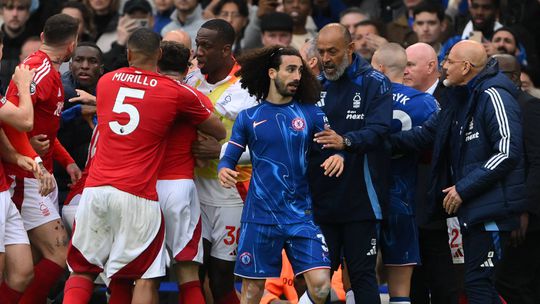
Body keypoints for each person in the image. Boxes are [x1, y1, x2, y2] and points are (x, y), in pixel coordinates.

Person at [63, 28, 225, 304]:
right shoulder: (179, 94)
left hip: (98, 189)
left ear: (128, 54)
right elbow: (218, 130)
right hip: (148, 191)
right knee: (160, 275)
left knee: (85, 271)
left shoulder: (106, 83)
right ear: (160, 55)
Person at [391, 40, 525, 304]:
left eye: (449, 61)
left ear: (466, 67)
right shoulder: (457, 100)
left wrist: (463, 188)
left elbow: (507, 151)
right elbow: (422, 136)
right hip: (472, 211)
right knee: (473, 284)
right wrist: (364, 140)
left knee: (478, 284)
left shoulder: (493, 95)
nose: (444, 66)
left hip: (492, 212)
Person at [218, 45, 342, 304]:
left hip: (300, 215)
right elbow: (229, 156)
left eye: (300, 70)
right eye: (290, 69)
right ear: (272, 73)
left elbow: (334, 147)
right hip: (260, 216)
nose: (297, 76)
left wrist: (338, 156)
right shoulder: (249, 117)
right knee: (251, 293)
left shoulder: (312, 114)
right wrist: (224, 169)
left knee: (321, 288)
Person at [1, 14, 81, 304]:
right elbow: (12, 121)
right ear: (72, 45)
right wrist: (31, 157)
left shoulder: (49, 70)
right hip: (25, 178)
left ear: (43, 34)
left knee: (27, 266)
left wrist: (66, 160)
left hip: (39, 173)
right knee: (58, 253)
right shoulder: (37, 71)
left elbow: (44, 130)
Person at [311, 23, 393, 304]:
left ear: (350, 49)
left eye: (332, 51)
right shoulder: (314, 84)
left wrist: (345, 144)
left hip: (362, 198)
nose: (326, 59)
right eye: (321, 52)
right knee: (318, 276)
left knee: (362, 274)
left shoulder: (374, 82)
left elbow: (380, 130)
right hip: (320, 199)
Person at [185, 19, 257, 304]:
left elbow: (265, 143)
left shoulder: (249, 88)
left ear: (226, 50)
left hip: (232, 194)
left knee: (221, 277)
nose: (198, 51)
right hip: (194, 189)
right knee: (192, 273)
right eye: (197, 44)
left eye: (206, 46)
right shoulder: (193, 79)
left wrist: (221, 151)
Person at [371, 42, 438, 304]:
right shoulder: (426, 102)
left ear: (379, 68)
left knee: (359, 276)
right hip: (403, 199)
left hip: (366, 199)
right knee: (401, 287)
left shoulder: (366, 98)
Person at [404, 42, 463, 304]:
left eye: (410, 65)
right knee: (413, 285)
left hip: (445, 209)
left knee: (446, 284)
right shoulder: (400, 99)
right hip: (408, 207)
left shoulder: (451, 98)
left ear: (431, 67)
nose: (404, 71)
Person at [156, 40, 211, 304]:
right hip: (180, 186)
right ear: (188, 65)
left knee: (144, 275)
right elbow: (216, 131)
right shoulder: (193, 96)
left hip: (144, 189)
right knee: (188, 273)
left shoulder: (143, 92)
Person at [492, 54, 540, 304]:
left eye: (495, 74)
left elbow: (537, 161)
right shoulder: (493, 106)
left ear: (515, 78)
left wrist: (525, 210)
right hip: (503, 210)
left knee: (515, 283)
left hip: (526, 218)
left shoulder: (529, 107)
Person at [57, 42, 103, 209]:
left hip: (96, 181)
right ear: (70, 65)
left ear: (102, 68)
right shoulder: (62, 92)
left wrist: (100, 106)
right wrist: (76, 111)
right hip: (60, 178)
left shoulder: (112, 92)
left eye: (92, 61)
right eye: (79, 60)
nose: (85, 66)